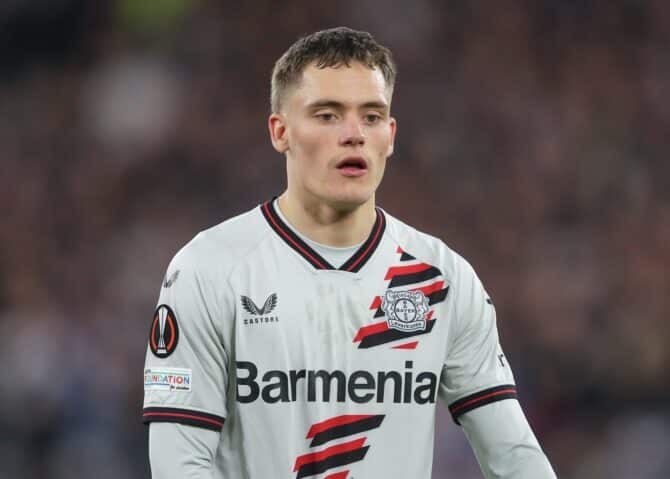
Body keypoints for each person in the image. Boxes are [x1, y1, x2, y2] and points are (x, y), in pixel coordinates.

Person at [142, 27, 557, 479]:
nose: (354, 134)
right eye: (327, 115)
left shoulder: (442, 279)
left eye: (372, 117)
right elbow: (179, 463)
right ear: (280, 131)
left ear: (391, 136)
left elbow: (515, 454)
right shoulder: (210, 269)